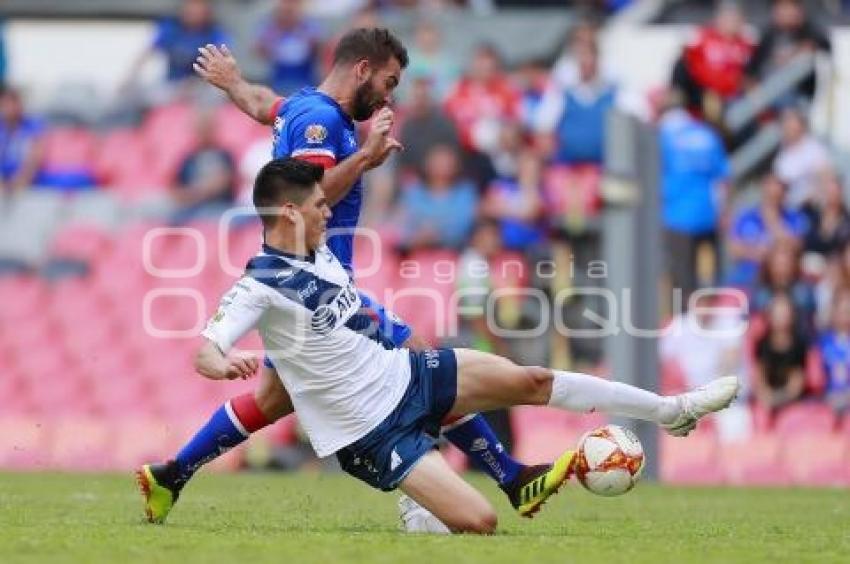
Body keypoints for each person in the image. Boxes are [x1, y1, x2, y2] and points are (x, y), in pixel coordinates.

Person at [161, 158, 738, 534]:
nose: (327, 210)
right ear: (289, 211)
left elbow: (359, 313)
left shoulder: (320, 251)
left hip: (405, 374)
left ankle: (674, 410)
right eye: (317, 206)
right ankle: (425, 504)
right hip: (368, 432)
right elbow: (204, 347)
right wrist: (223, 362)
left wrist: (404, 339)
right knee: (479, 524)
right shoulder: (258, 285)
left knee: (531, 380)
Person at [139, 28, 559, 526]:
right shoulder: (322, 122)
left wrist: (233, 83)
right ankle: (510, 476)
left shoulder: (302, 106)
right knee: (421, 359)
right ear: (363, 69)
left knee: (275, 400)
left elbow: (261, 103)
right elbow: (313, 195)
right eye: (388, 81)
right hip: (316, 285)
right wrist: (366, 158)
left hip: (308, 283)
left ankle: (171, 475)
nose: (389, 94)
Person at [658, 94, 730, 301]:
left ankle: (686, 324)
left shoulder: (664, 135)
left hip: (676, 217)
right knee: (709, 281)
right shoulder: (708, 135)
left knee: (682, 283)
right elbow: (722, 179)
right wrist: (722, 212)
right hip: (707, 215)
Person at [672, 1, 754, 120]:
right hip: (702, 95)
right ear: (718, 18)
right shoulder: (703, 39)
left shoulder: (747, 46)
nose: (730, 22)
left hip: (732, 97)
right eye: (727, 17)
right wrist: (705, 93)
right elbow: (687, 67)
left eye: (734, 18)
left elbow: (748, 76)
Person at [726, 172, 808, 288]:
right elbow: (734, 250)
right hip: (750, 272)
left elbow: (797, 245)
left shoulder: (793, 217)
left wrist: (773, 221)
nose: (774, 195)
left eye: (778, 191)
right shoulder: (746, 217)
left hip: (784, 274)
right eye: (770, 191)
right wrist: (756, 253)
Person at [744, 0, 831, 104]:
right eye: (781, 8)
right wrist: (752, 85)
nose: (785, 13)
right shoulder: (769, 35)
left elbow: (825, 47)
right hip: (767, 95)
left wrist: (796, 52)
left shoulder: (807, 31)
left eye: (789, 8)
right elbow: (752, 68)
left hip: (798, 96)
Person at [395, 144, 477, 251]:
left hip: (456, 251)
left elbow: (465, 222)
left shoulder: (466, 192)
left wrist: (436, 233)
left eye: (446, 162)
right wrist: (417, 237)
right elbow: (402, 224)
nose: (441, 166)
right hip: (415, 250)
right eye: (437, 161)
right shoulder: (413, 192)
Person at [169, 110, 236, 223]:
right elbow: (176, 190)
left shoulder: (224, 154)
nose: (202, 133)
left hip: (219, 207)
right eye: (200, 129)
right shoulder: (188, 158)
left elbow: (224, 183)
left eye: (206, 129)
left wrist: (197, 192)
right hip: (192, 208)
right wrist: (196, 193)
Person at [752, 293, 808, 412]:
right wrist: (767, 399)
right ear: (769, 316)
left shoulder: (799, 345)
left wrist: (775, 401)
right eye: (777, 313)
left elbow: (795, 387)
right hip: (766, 401)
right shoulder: (762, 344)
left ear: (792, 315)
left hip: (791, 402)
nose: (781, 317)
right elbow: (760, 381)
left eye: (784, 313)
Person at [254, 0, 322, 95]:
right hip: (278, 83)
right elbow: (258, 49)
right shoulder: (271, 28)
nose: (288, 14)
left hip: (306, 83)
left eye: (291, 11)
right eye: (285, 11)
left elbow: (320, 49)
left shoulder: (310, 28)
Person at [772, 106, 832, 208]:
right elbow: (783, 195)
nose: (789, 127)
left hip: (820, 202)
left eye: (792, 122)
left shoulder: (813, 147)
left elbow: (826, 175)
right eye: (786, 124)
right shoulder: (781, 161)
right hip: (797, 209)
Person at [0, 85, 45, 194]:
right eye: (6, 104)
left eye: (13, 103)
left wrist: (21, 180)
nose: (10, 108)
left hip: (24, 178)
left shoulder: (33, 126)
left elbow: (36, 156)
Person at [818, 289, 850, 415]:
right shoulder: (822, 342)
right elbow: (815, 378)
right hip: (827, 399)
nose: (847, 316)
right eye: (843, 311)